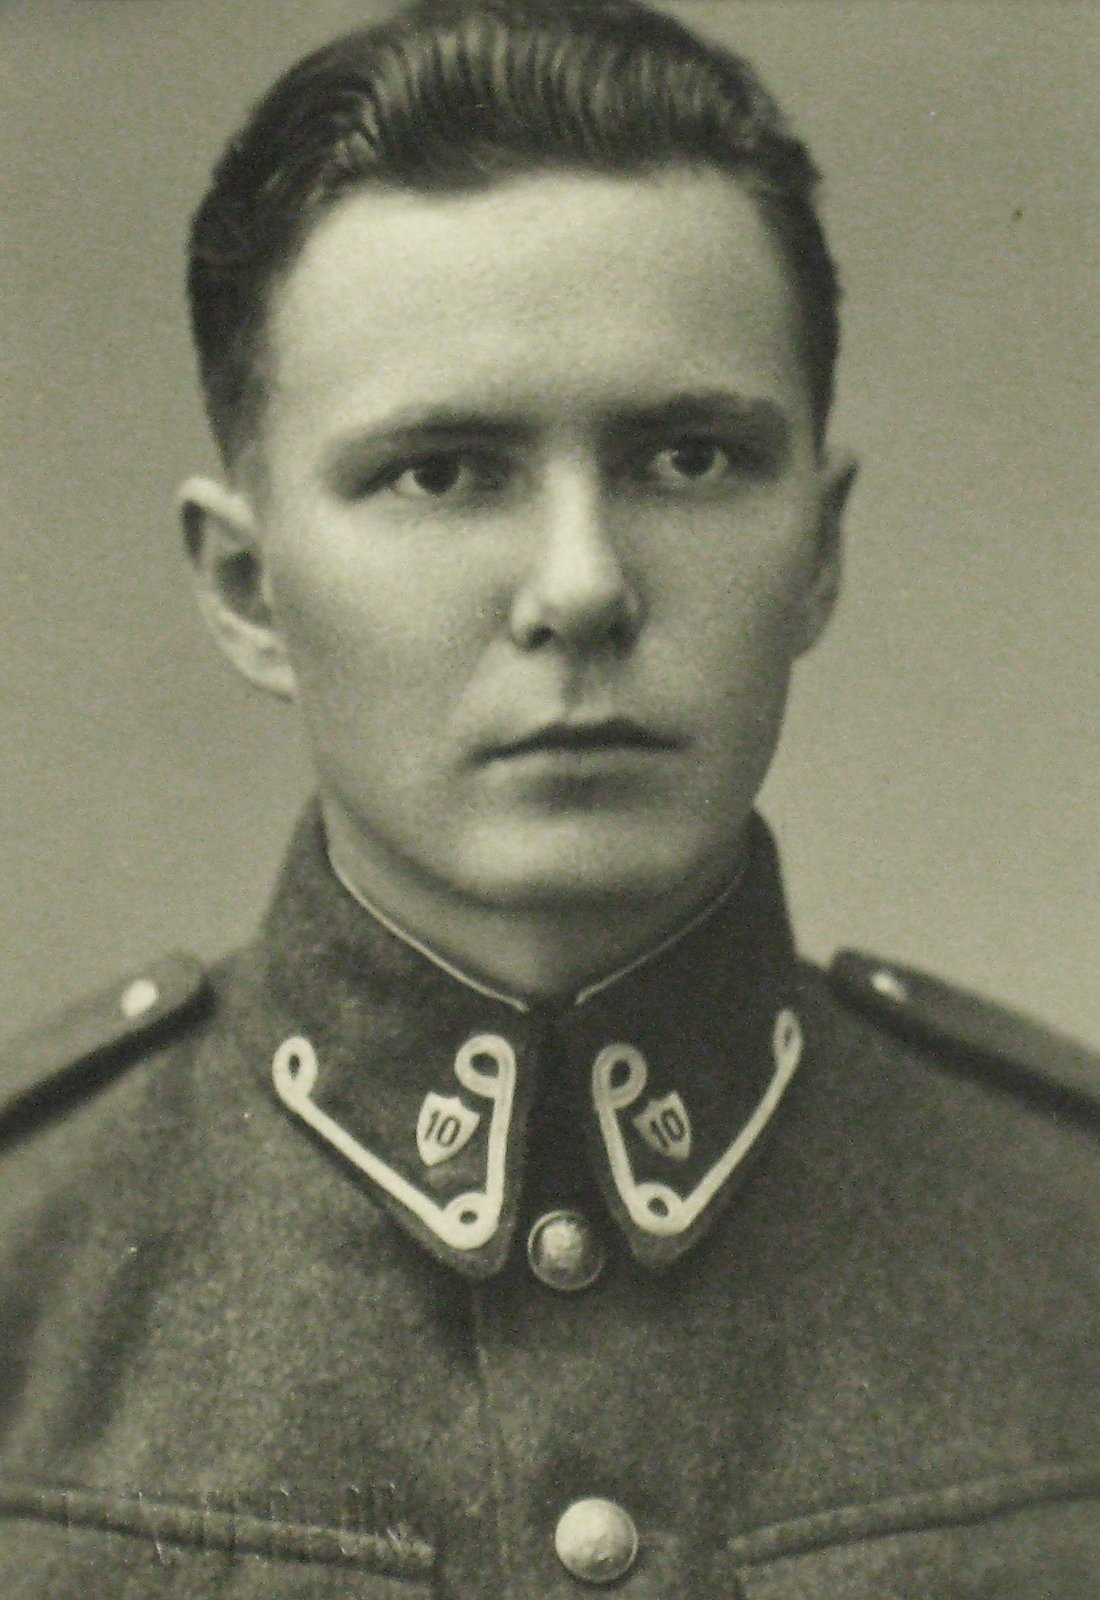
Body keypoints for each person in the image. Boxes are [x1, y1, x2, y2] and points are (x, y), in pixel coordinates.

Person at [0, 1, 1096, 1593]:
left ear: (820, 550)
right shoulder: (34, 1258)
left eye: (688, 461)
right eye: (443, 472)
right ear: (247, 589)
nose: (581, 587)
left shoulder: (1065, 1233)